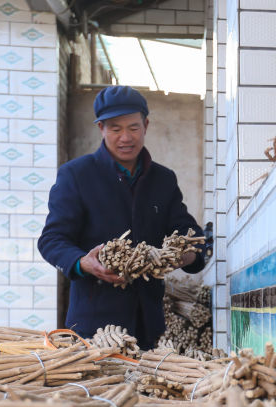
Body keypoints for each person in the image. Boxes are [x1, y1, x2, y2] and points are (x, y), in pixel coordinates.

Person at [38, 85, 205, 348]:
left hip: (149, 326)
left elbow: (192, 236)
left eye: (133, 127)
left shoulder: (163, 180)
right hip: (93, 327)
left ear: (146, 125)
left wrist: (184, 256)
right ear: (101, 128)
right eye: (116, 129)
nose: (126, 137)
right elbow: (51, 240)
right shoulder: (77, 175)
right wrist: (84, 263)